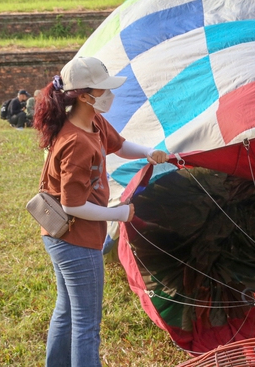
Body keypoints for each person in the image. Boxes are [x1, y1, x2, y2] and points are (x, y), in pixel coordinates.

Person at [32, 56, 168, 367]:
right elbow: (72, 205)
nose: (110, 94)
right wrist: (120, 214)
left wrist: (149, 153)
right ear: (83, 94)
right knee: (86, 324)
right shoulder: (76, 142)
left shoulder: (92, 122)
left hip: (61, 236)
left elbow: (119, 145)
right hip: (75, 240)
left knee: (67, 311)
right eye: (102, 89)